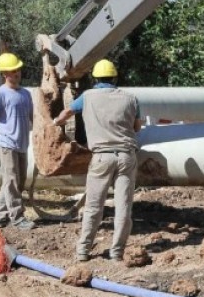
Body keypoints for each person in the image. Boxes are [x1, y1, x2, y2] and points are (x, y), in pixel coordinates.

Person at [53, 59, 142, 262]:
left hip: (102, 157)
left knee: (94, 206)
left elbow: (68, 112)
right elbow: (137, 128)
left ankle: (83, 251)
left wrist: (56, 122)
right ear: (114, 78)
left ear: (95, 79)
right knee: (123, 207)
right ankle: (117, 252)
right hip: (126, 157)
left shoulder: (88, 96)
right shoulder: (131, 98)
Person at [0, 52, 36, 230]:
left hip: (22, 144)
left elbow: (33, 118)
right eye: (13, 71)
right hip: (5, 144)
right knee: (11, 181)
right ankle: (17, 218)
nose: (17, 73)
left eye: (18, 69)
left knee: (18, 181)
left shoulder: (26, 94)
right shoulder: (0, 94)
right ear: (4, 74)